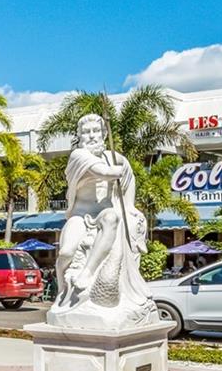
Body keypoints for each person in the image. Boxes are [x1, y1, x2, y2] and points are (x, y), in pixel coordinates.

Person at [50, 113, 155, 329]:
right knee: (66, 252)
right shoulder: (78, 155)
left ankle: (88, 272)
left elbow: (129, 179)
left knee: (112, 217)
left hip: (103, 212)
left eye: (96, 131)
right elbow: (104, 172)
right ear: (79, 136)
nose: (91, 136)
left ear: (104, 134)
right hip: (80, 215)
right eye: (86, 132)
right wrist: (117, 169)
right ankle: (61, 288)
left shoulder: (114, 157)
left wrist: (130, 207)